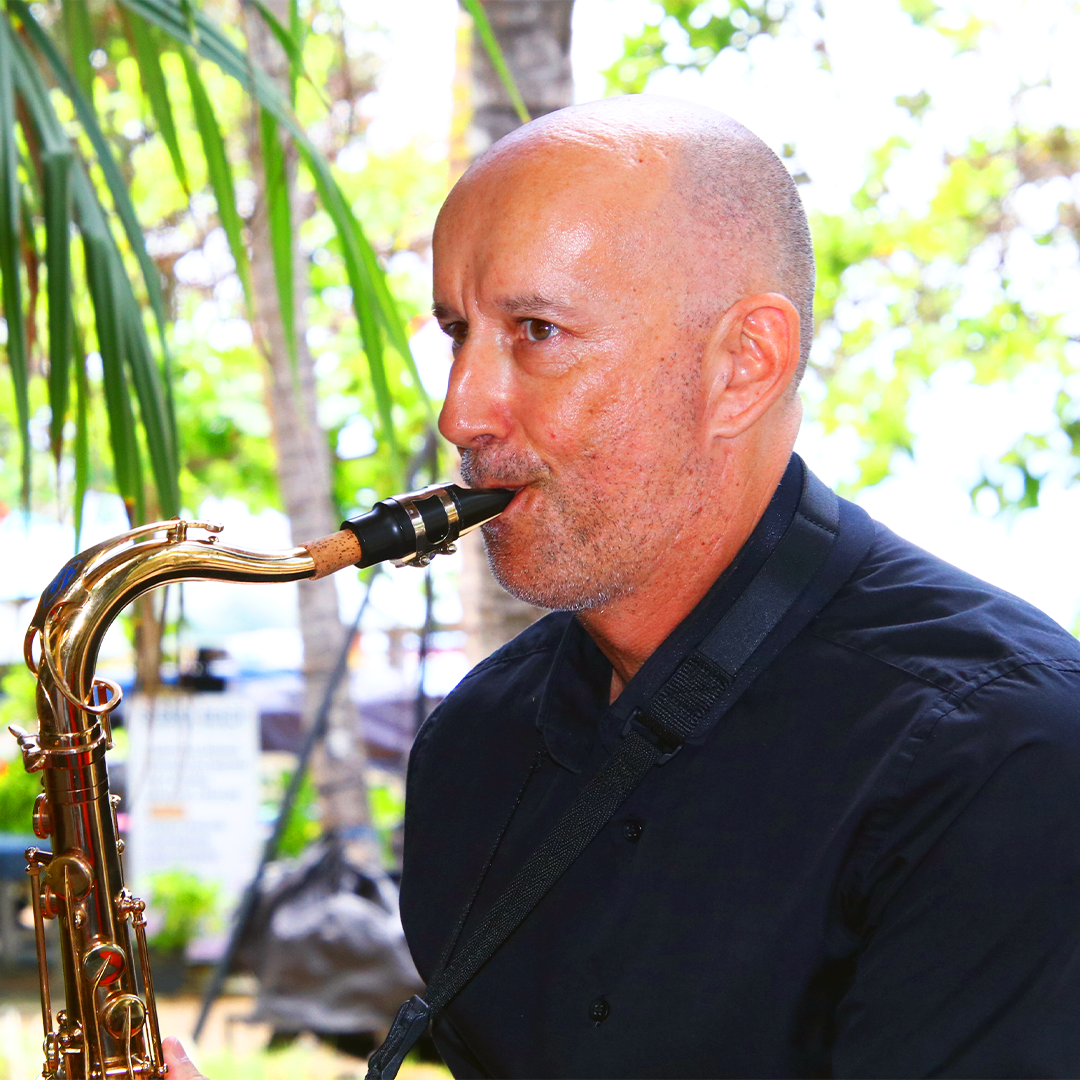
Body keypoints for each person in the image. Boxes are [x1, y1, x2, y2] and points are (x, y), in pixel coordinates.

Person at [167, 96, 1080, 1079]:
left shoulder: (1004, 754)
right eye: (456, 331)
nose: (459, 411)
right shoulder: (475, 746)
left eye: (536, 329)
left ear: (743, 366)